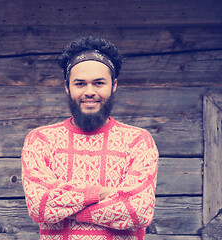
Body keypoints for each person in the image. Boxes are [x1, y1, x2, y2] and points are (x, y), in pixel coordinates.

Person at [21, 36, 159, 240]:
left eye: (98, 83)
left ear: (114, 85)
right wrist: (101, 194)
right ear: (67, 87)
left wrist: (69, 209)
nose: (89, 92)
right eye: (80, 84)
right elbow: (40, 206)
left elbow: (138, 211)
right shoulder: (41, 141)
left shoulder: (138, 141)